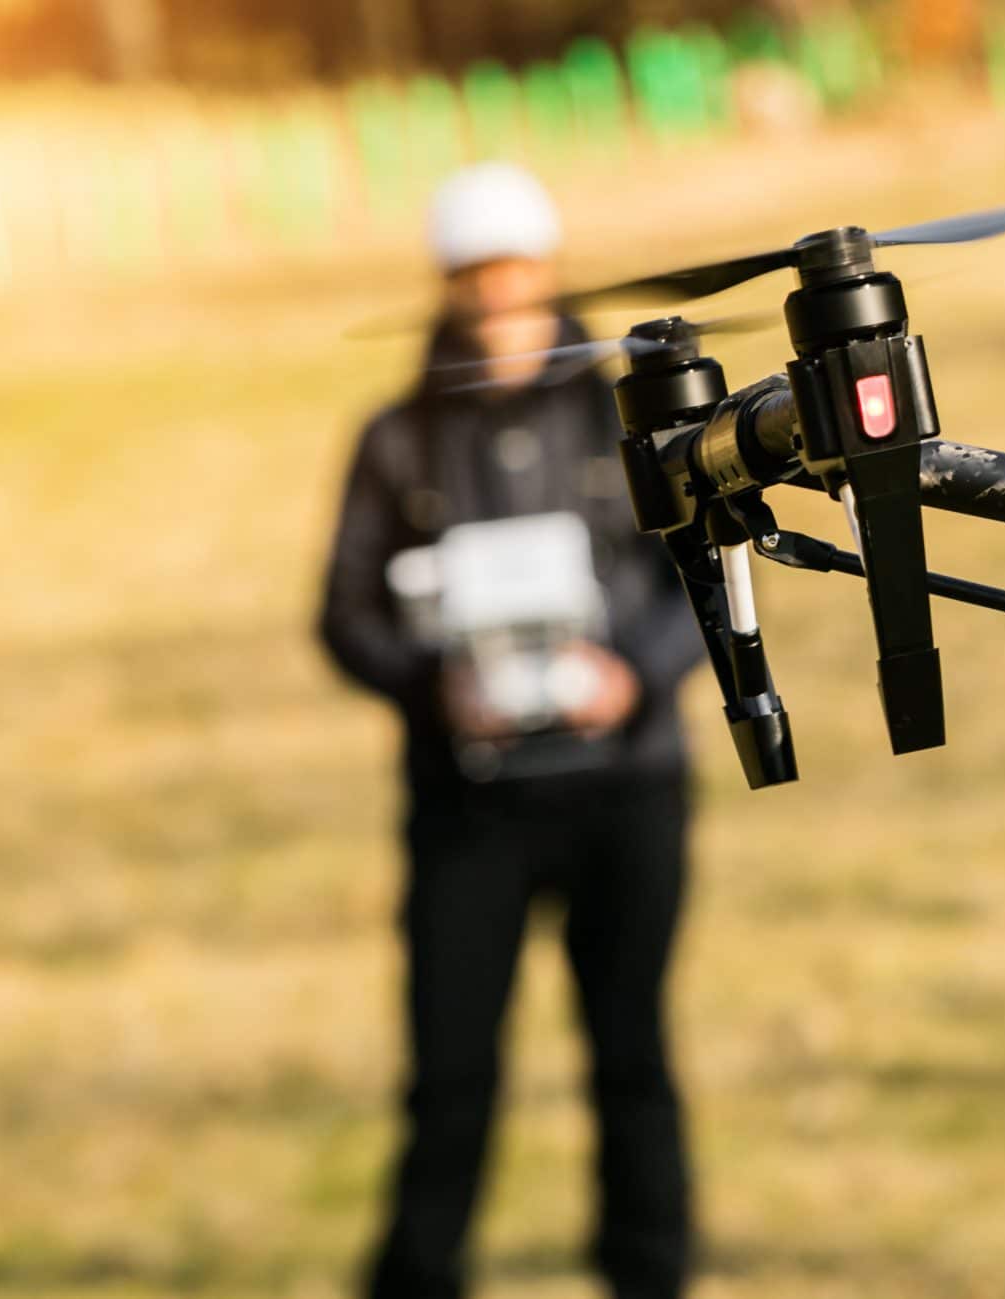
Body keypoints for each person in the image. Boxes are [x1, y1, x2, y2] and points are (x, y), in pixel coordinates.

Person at [317, 161, 707, 1299]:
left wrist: (628, 676)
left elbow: (704, 576)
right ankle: (419, 1275)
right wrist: (434, 690)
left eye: (514, 271)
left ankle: (650, 1272)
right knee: (450, 1076)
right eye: (473, 276)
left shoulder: (629, 411)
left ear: (548, 271)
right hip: (469, 805)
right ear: (444, 285)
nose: (496, 296)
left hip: (625, 789)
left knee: (630, 1056)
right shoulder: (396, 440)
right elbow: (343, 614)